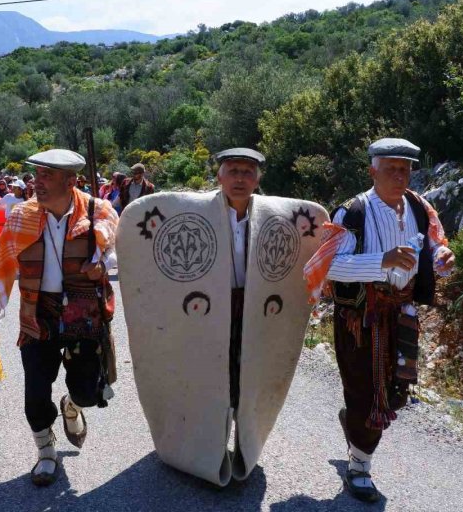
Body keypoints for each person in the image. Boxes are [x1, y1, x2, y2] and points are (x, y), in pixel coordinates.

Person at [115, 148, 329, 486]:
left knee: (246, 377)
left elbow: (310, 245)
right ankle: (198, 449)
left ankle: (243, 444)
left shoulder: (277, 217)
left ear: (258, 178)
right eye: (233, 171)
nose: (240, 178)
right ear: (220, 176)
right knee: (206, 376)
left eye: (248, 172)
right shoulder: (190, 213)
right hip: (206, 314)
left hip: (254, 312)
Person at [304, 137, 455, 503]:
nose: (399, 176)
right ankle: (360, 468)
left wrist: (442, 260)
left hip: (403, 315)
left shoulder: (421, 208)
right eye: (391, 168)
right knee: (365, 396)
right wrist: (381, 261)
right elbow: (323, 269)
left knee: (397, 394)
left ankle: (353, 427)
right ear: (373, 169)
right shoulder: (351, 212)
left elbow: (435, 248)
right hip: (360, 318)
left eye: (405, 169)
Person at [0, 149, 119, 487]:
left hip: (83, 317)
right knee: (36, 391)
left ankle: (72, 405)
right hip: (37, 315)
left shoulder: (99, 211)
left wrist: (103, 265)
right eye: (36, 175)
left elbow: (117, 254)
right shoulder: (21, 217)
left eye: (46, 176)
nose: (36, 182)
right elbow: (2, 269)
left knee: (91, 392)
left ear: (70, 181)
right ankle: (45, 453)